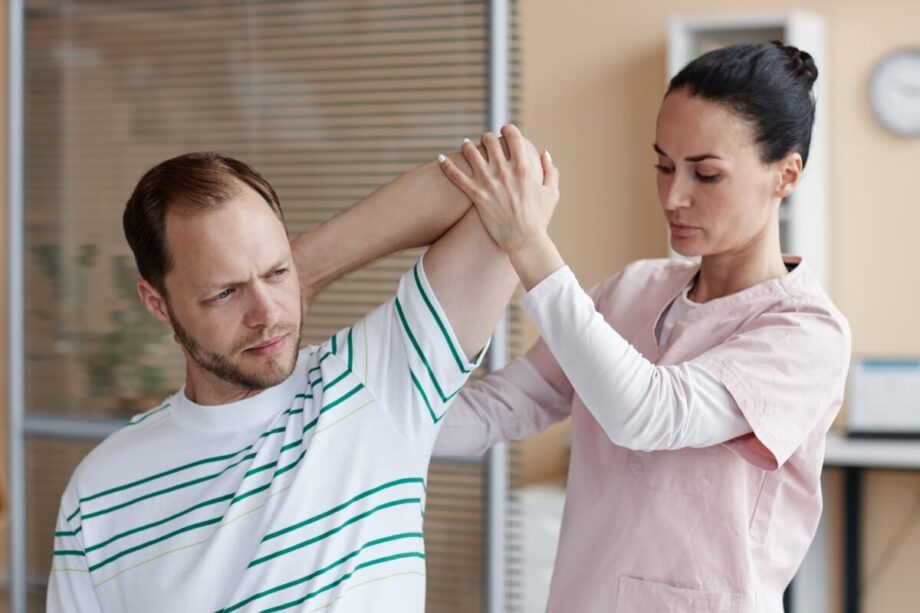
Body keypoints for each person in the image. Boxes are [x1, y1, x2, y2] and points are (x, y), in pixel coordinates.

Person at [297, 42, 852, 612]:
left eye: (705, 174)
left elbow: (647, 412)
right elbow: (498, 409)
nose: (673, 195)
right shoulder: (633, 290)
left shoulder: (805, 333)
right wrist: (330, 413)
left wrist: (528, 244)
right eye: (662, 166)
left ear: (786, 174)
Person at [48, 141, 555, 611]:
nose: (266, 313)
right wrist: (283, 276)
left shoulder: (374, 385)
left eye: (275, 272)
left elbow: (515, 174)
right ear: (158, 304)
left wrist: (307, 269)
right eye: (225, 293)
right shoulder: (100, 491)